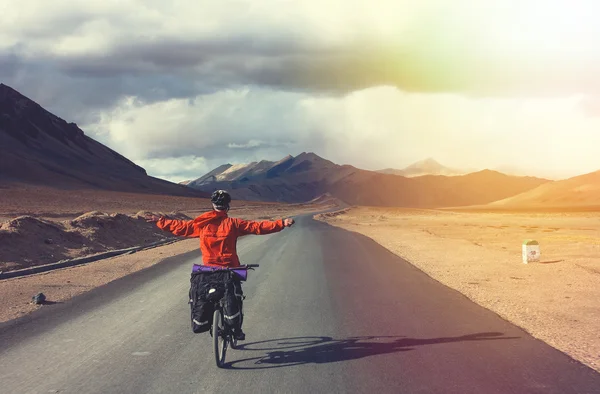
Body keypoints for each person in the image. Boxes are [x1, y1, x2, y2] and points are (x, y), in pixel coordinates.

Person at [146, 189, 294, 340]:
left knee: (206, 295)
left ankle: (211, 321)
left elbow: (180, 227)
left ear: (213, 205)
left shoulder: (202, 224)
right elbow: (257, 227)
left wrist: (161, 221)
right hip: (230, 269)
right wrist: (281, 223)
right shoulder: (234, 224)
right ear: (227, 205)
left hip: (208, 270)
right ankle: (236, 329)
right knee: (235, 297)